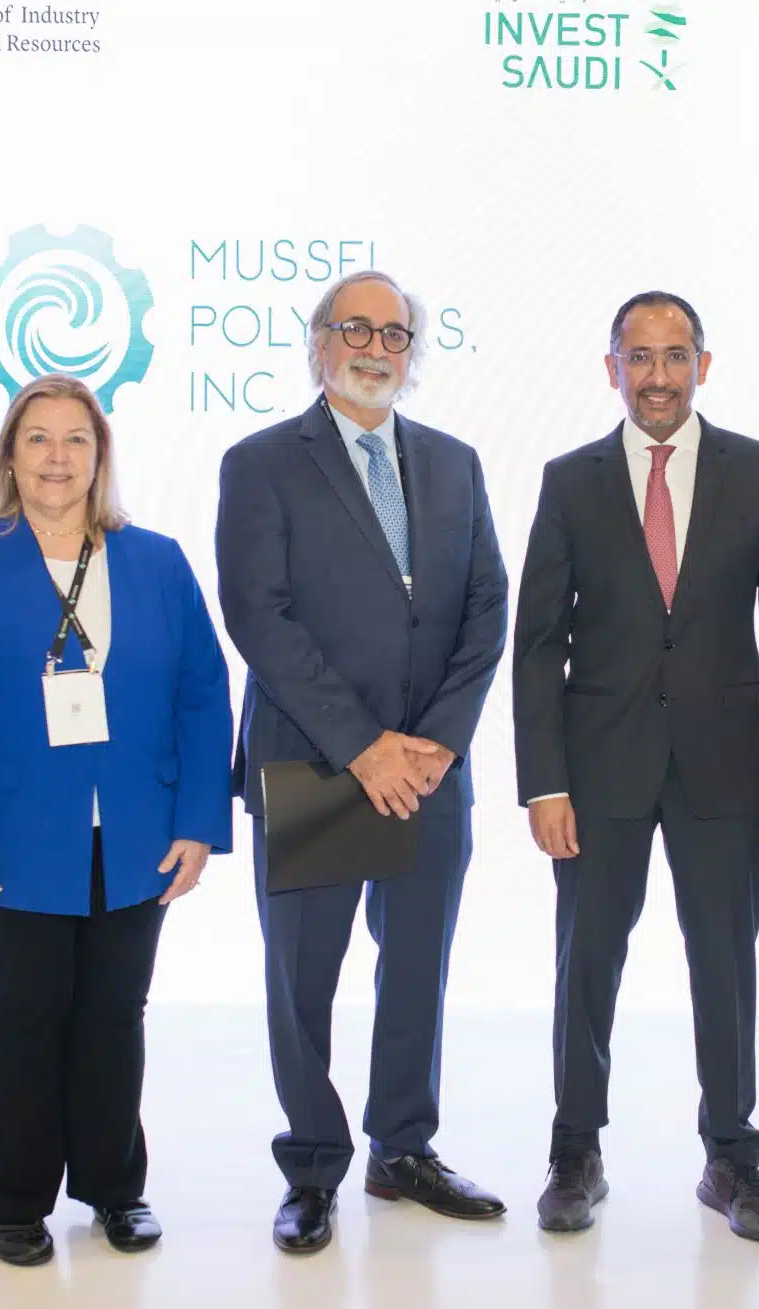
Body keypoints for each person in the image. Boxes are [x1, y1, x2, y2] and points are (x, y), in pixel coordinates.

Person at [0, 374, 233, 1267]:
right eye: (37, 438)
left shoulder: (156, 560)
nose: (57, 457)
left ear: (100, 455)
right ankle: (18, 1202)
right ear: (9, 456)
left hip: (134, 833)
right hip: (8, 840)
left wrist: (197, 820)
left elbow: (204, 693)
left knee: (115, 1013)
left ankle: (115, 1186)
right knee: (22, 1014)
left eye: (76, 439)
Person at [511, 292, 759, 1240]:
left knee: (725, 962)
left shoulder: (758, 472)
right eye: (639, 357)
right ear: (612, 368)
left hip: (726, 768)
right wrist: (544, 781)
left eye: (675, 356)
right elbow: (539, 643)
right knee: (586, 962)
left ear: (703, 365)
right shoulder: (570, 481)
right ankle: (575, 1151)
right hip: (597, 768)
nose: (657, 376)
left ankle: (732, 1156)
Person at [216, 270, 509, 1254]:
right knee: (303, 977)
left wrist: (436, 741)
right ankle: (311, 1166)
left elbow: (486, 605)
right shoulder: (262, 463)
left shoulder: (456, 463)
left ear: (412, 355)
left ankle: (403, 1149)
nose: (376, 347)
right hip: (316, 761)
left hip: (428, 768)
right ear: (317, 344)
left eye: (395, 333)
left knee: (417, 965)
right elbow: (259, 615)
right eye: (356, 328)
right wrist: (364, 747)